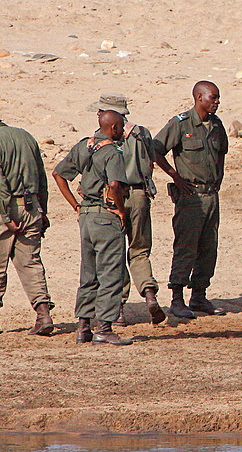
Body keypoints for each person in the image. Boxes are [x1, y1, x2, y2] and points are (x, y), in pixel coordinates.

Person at [0, 106, 55, 336]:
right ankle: (43, 315)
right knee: (31, 262)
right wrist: (42, 210)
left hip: (3, 210)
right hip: (32, 205)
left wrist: (6, 218)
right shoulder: (26, 136)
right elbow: (42, 176)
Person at [53, 110, 133, 346]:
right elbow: (115, 184)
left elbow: (59, 174)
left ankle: (83, 327)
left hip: (86, 217)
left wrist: (76, 206)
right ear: (115, 128)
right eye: (122, 127)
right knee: (110, 272)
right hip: (104, 218)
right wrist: (120, 209)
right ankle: (105, 328)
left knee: (88, 274)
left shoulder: (83, 146)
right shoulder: (112, 152)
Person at [153, 81, 229, 319]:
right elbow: (155, 149)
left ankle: (199, 295)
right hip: (190, 197)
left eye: (217, 98)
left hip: (211, 196)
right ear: (199, 97)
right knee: (186, 247)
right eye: (213, 98)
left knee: (208, 248)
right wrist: (175, 176)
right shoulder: (181, 124)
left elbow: (222, 153)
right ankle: (177, 299)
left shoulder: (216, 125)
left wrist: (219, 178)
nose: (217, 102)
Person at [89, 93, 165, 326]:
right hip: (140, 196)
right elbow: (151, 163)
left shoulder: (102, 137)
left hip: (115, 198)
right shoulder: (142, 133)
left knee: (115, 254)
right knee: (140, 250)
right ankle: (149, 294)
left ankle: (119, 309)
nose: (98, 114)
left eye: (100, 111)